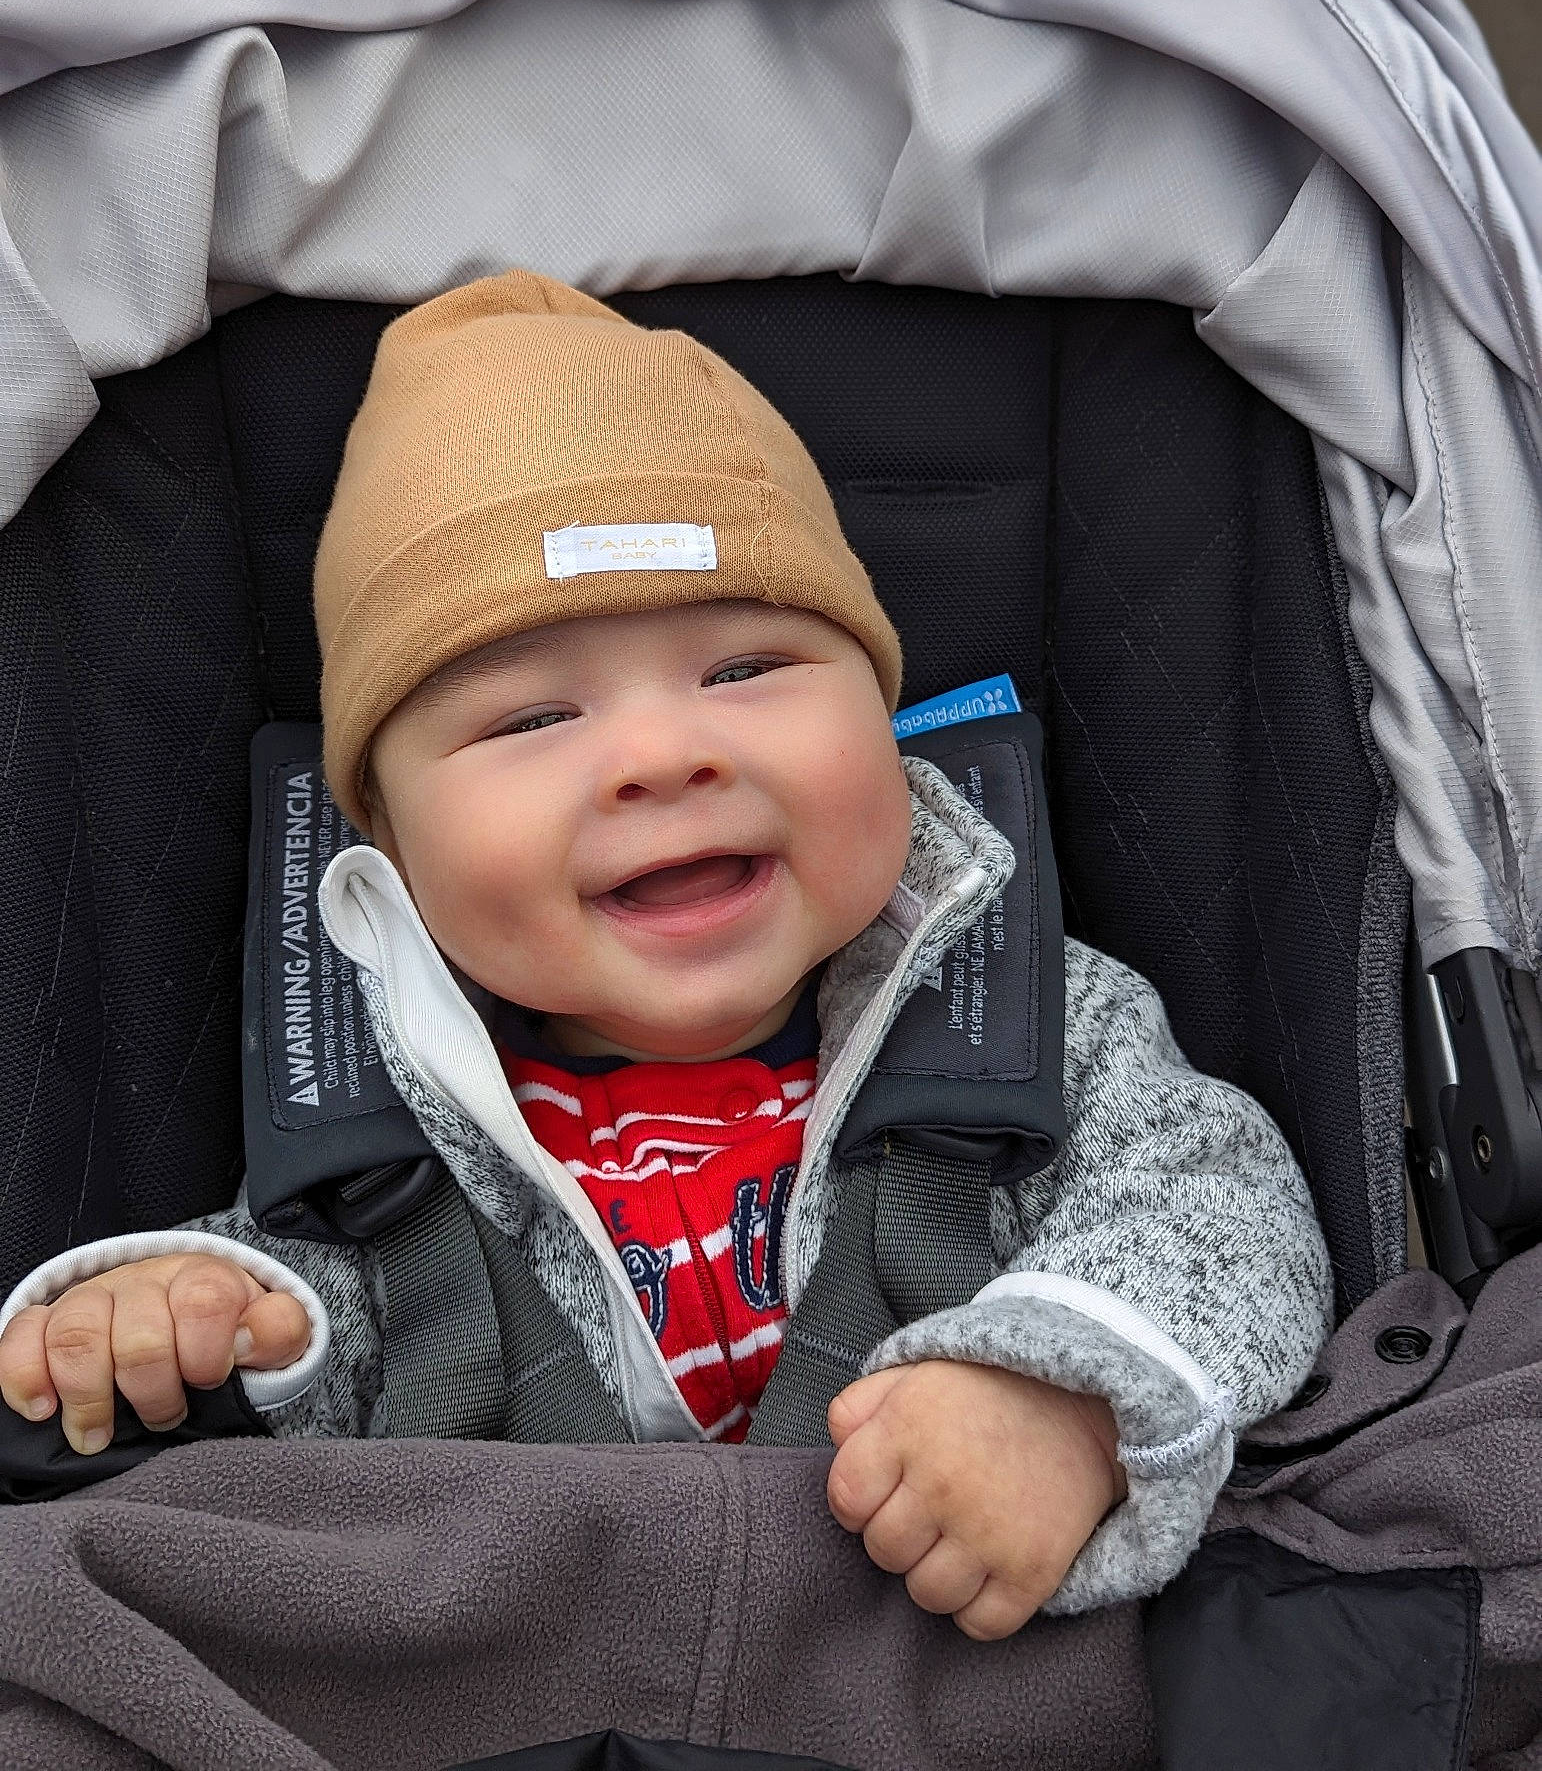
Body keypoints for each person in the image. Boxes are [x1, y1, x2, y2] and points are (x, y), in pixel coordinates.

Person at [0, 270, 1334, 1638]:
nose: (661, 755)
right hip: (504, 1665)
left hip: (926, 1660)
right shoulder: (378, 1110)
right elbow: (338, 1386)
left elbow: (1230, 1207)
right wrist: (205, 1311)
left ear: (884, 724)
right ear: (389, 851)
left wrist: (1066, 1394)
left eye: (745, 670)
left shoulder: (1016, 1010)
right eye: (528, 719)